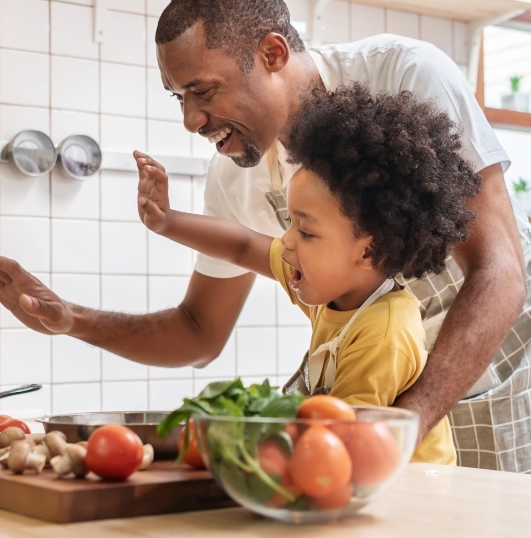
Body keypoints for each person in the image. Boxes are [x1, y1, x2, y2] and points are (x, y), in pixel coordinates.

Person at [0, 0, 531, 478]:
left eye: (203, 91)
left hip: (503, 362)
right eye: (179, 98)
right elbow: (200, 330)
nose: (191, 122)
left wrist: (411, 421)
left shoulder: (404, 75)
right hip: (381, 397)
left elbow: (500, 267)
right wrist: (70, 319)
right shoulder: (235, 173)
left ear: (273, 52)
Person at [136, 83, 478, 465]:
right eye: (291, 222)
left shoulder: (383, 335)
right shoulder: (337, 286)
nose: (287, 240)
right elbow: (243, 246)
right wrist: (168, 222)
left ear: (367, 251)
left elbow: (344, 448)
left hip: (413, 504)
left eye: (306, 231)